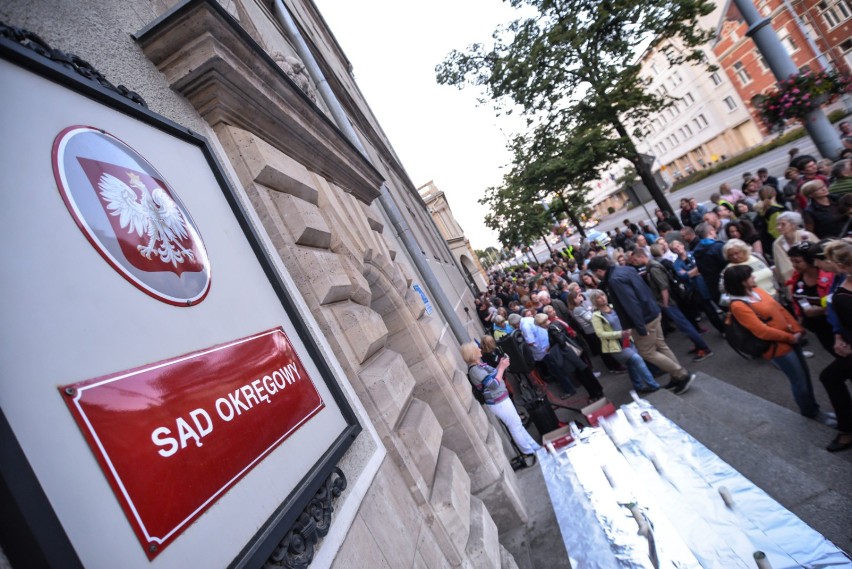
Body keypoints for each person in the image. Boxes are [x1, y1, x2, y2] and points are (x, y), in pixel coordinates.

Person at [724, 265, 835, 425]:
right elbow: (761, 331)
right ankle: (810, 412)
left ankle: (814, 408)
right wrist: (790, 337)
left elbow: (780, 309)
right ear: (741, 282)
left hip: (790, 338)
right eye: (750, 276)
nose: (754, 277)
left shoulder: (758, 291)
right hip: (777, 348)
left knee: (804, 375)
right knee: (799, 380)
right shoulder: (738, 306)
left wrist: (797, 329)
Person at [587, 255, 696, 394]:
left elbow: (631, 304)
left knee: (647, 352)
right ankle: (677, 376)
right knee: (661, 346)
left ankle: (681, 375)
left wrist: (640, 327)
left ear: (599, 271)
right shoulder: (625, 269)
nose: (596, 277)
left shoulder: (614, 280)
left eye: (594, 274)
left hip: (645, 319)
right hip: (652, 312)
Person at [631, 248, 713, 361]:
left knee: (685, 326)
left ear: (641, 256)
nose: (635, 263)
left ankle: (704, 348)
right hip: (669, 302)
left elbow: (664, 287)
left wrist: (665, 304)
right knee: (684, 325)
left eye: (635, 260)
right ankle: (698, 345)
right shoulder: (652, 267)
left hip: (669, 302)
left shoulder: (654, 268)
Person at [462, 343, 541, 457]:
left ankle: (533, 447)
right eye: (477, 348)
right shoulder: (475, 370)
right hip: (498, 402)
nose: (480, 349)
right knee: (515, 426)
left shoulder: (479, 364)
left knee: (517, 424)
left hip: (501, 399)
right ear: (472, 353)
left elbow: (494, 374)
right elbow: (493, 384)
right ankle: (528, 450)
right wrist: (502, 368)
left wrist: (500, 365)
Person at [587, 289, 661, 394]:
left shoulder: (612, 307)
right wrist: (620, 334)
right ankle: (653, 385)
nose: (602, 298)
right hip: (616, 346)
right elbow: (600, 334)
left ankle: (638, 385)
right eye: (598, 297)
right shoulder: (596, 316)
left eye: (603, 295)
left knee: (631, 365)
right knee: (637, 359)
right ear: (595, 301)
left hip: (627, 340)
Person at [819, 239, 852, 452]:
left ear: (841, 266)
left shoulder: (843, 296)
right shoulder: (841, 290)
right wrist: (839, 336)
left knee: (829, 377)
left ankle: (847, 431)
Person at [786, 243, 836, 356]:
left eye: (797, 261)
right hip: (818, 327)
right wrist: (800, 322)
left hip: (834, 324)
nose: (794, 265)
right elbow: (797, 301)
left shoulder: (830, 277)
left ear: (811, 261)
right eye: (792, 261)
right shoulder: (797, 277)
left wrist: (823, 310)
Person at [772, 211, 818, 288]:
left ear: (793, 225)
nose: (779, 227)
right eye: (778, 225)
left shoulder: (807, 236)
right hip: (794, 279)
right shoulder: (777, 244)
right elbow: (784, 268)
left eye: (783, 224)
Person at [693, 222, 727, 304]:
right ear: (711, 231)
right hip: (728, 285)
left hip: (713, 288)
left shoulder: (697, 251)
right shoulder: (718, 247)